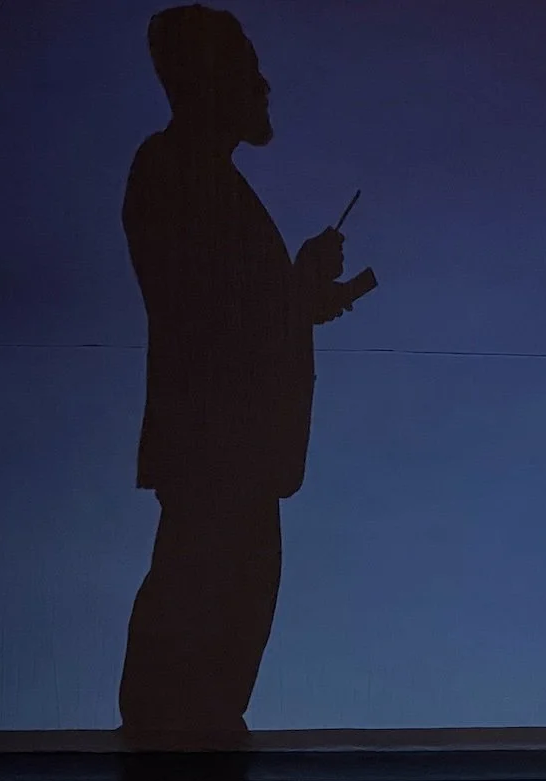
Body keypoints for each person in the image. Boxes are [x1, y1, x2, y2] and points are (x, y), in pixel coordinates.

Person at [117, 4, 361, 739]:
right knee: (203, 636)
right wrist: (301, 288)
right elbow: (213, 315)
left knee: (224, 638)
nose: (263, 83)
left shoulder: (195, 176)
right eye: (247, 68)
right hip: (218, 451)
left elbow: (235, 314)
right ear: (209, 78)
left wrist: (301, 293)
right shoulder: (177, 172)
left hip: (234, 454)